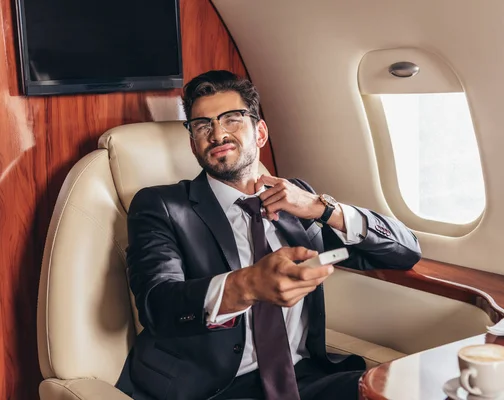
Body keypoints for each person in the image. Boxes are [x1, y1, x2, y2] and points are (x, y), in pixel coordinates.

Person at [116, 70, 422, 400]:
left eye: (232, 119)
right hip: (213, 390)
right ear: (193, 143)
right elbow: (156, 304)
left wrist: (322, 208)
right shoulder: (160, 205)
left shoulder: (297, 199)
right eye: (203, 125)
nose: (218, 134)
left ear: (260, 132)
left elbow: (405, 252)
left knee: (411, 389)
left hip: (302, 379)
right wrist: (247, 285)